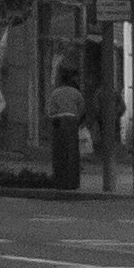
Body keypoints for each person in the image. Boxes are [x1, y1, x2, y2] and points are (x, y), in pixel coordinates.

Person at [45, 62, 86, 191]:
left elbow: (50, 110)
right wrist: (77, 120)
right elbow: (82, 108)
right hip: (72, 121)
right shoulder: (76, 93)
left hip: (58, 121)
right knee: (72, 152)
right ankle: (72, 182)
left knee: (59, 152)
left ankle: (60, 180)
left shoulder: (56, 92)